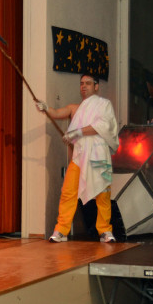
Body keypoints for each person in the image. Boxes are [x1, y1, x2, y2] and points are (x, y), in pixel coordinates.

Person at [38, 73, 119, 243]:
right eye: (82, 83)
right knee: (68, 192)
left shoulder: (104, 105)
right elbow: (56, 113)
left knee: (103, 195)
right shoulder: (75, 108)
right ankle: (61, 230)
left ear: (96, 86)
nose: (84, 86)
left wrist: (77, 132)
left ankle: (105, 230)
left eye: (88, 83)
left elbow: (103, 126)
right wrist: (45, 107)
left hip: (98, 155)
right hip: (79, 157)